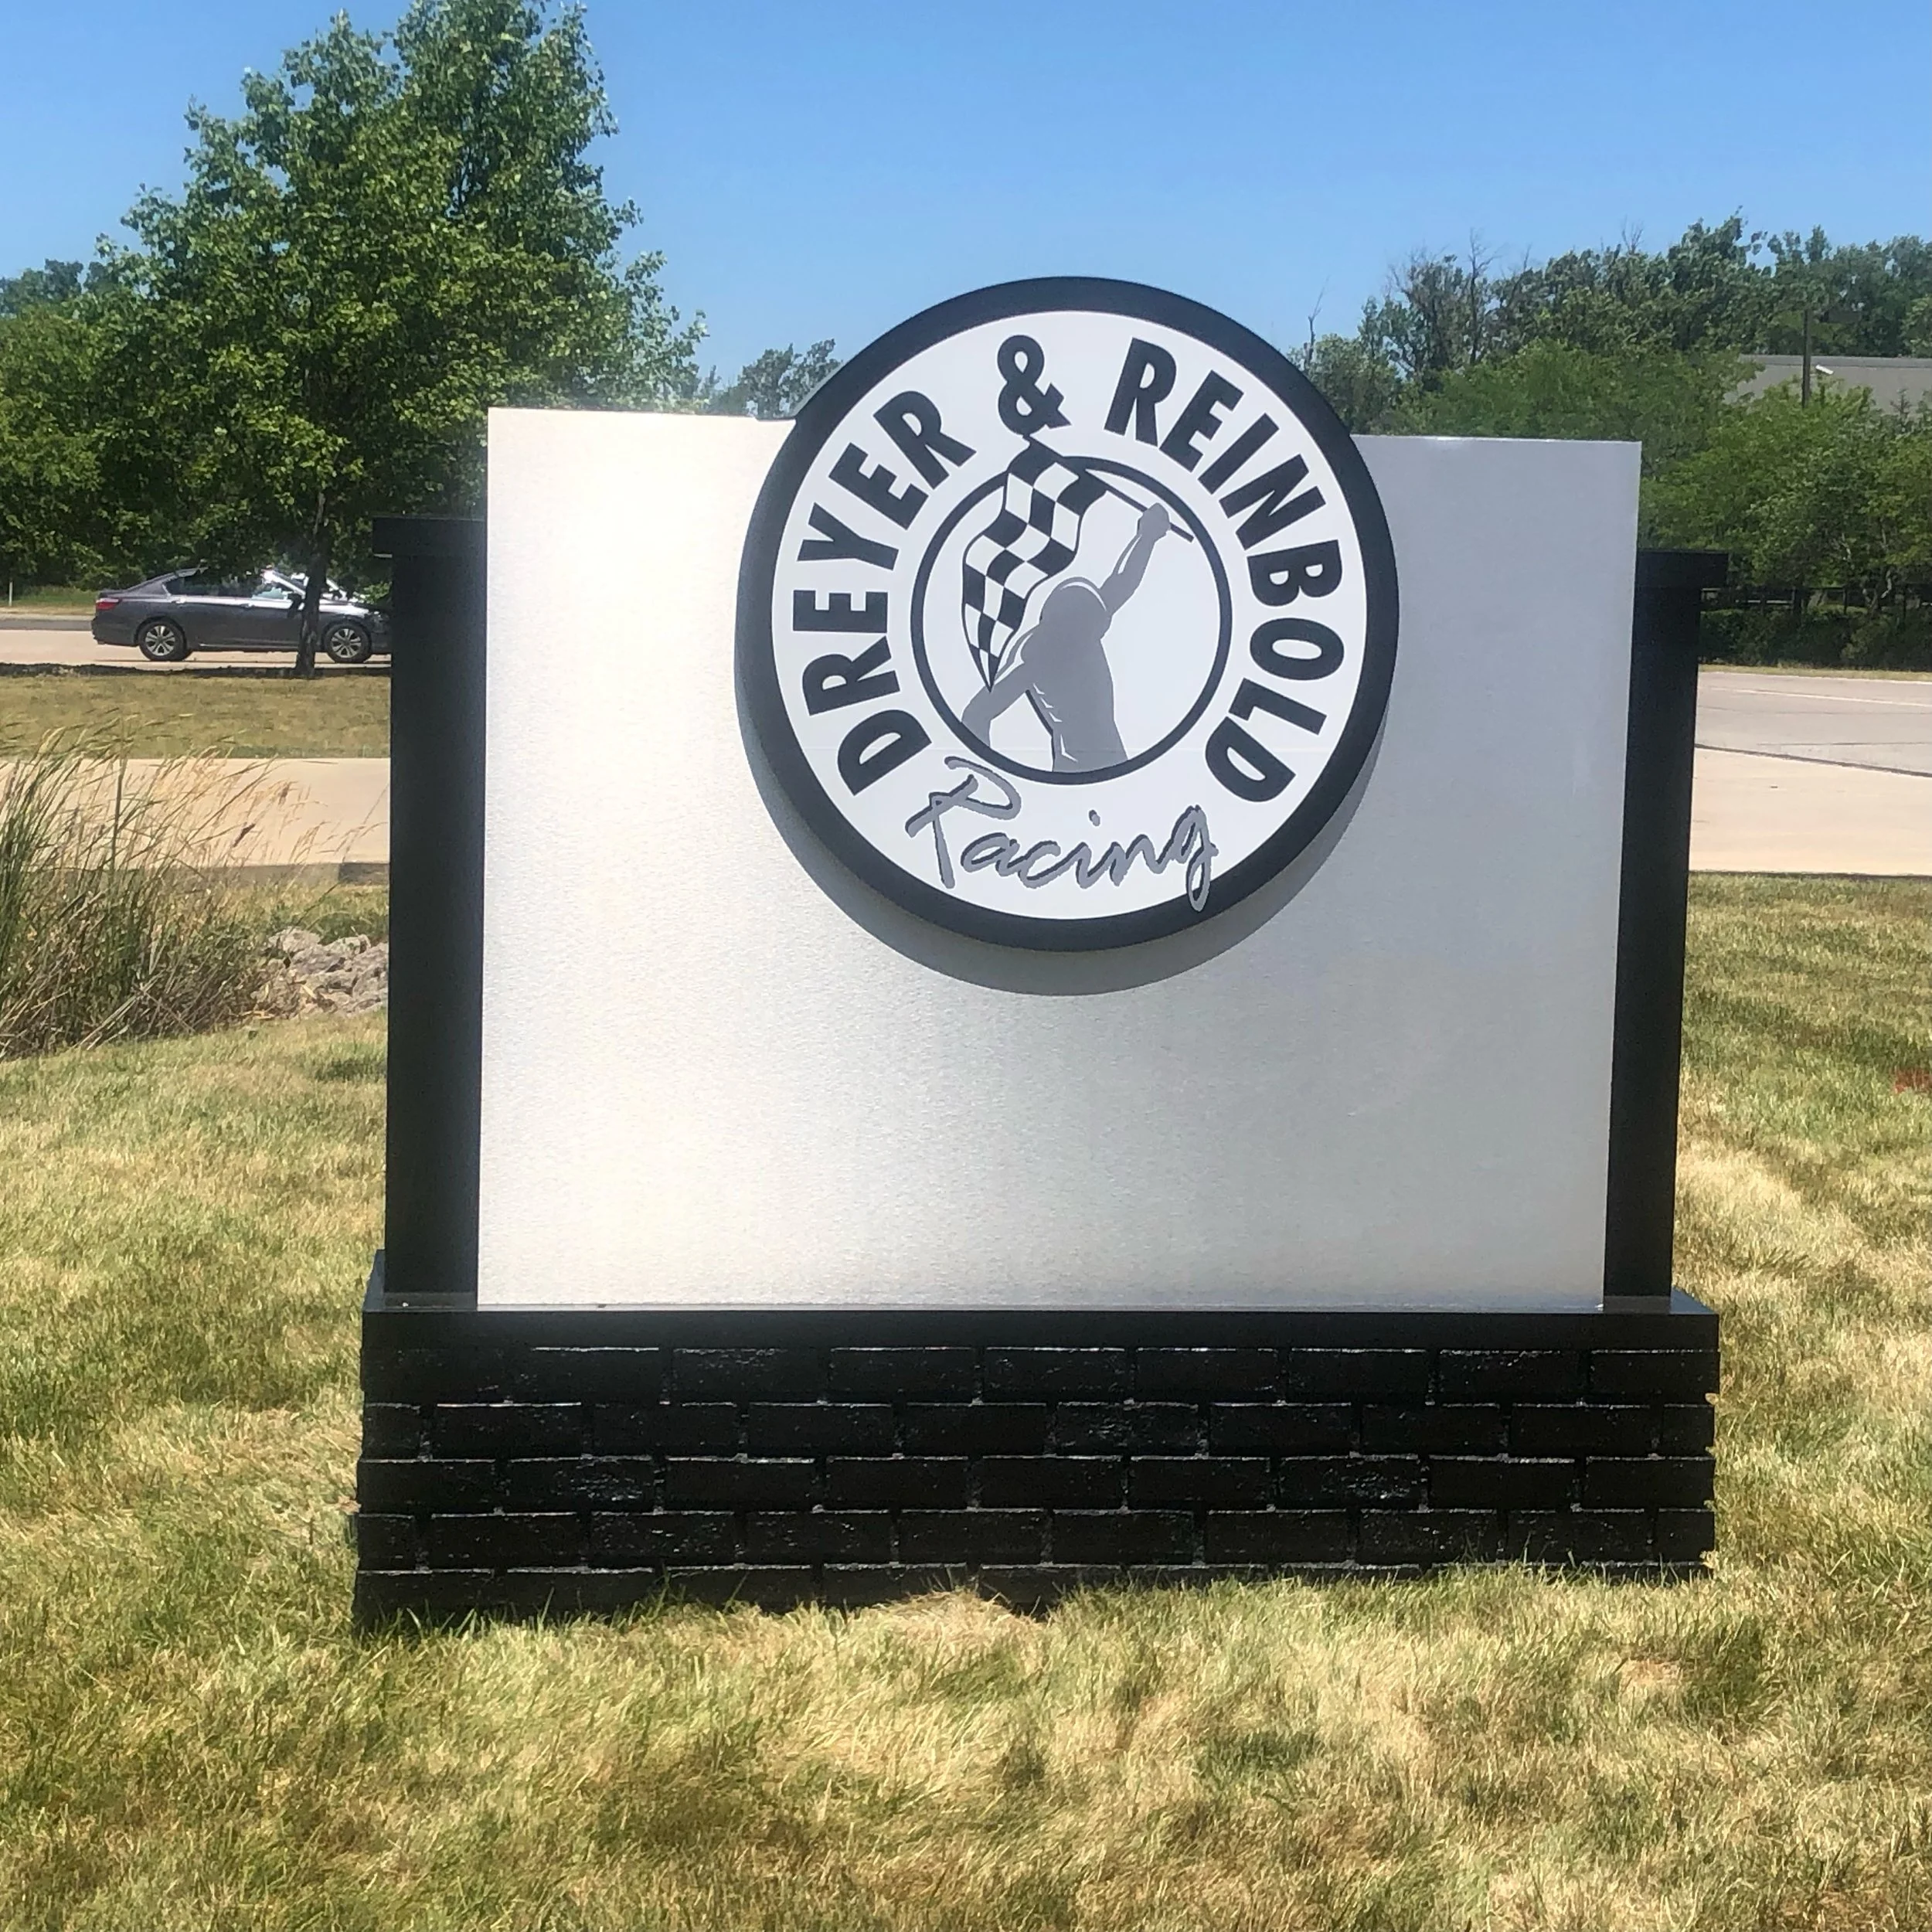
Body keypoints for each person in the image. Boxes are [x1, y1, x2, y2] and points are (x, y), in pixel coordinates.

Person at [962, 502, 1170, 774]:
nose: (1095, 628)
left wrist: (1146, 537)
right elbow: (977, 714)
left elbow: (1122, 581)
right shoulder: (1035, 650)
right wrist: (991, 773)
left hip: (1113, 762)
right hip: (1074, 768)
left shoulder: (1086, 624)